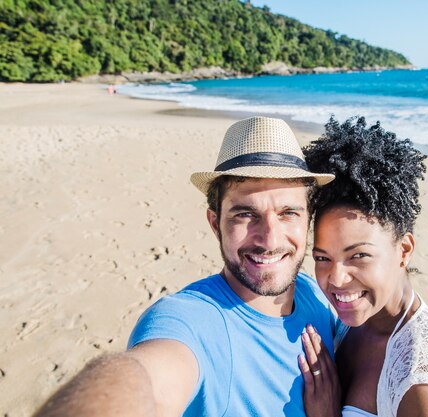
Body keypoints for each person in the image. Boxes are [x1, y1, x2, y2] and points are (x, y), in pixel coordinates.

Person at [34, 116, 337, 417]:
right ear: (216, 224)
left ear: (308, 219)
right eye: (245, 214)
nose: (269, 239)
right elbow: (145, 377)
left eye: (288, 213)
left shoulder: (317, 295)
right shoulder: (190, 321)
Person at [298, 117, 428, 417]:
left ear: (404, 250)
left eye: (358, 256)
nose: (336, 278)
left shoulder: (422, 386)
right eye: (322, 257)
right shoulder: (357, 321)